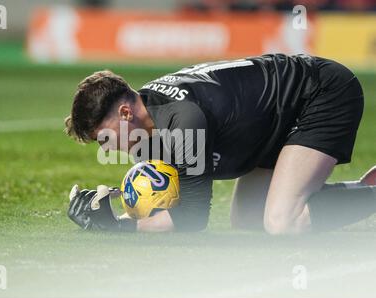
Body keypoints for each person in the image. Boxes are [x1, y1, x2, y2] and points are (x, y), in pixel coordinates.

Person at [65, 53, 376, 234]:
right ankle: (365, 189)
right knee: (248, 220)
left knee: (283, 221)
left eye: (102, 137)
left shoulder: (182, 120)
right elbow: (165, 195)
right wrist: (111, 203)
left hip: (319, 92)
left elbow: (192, 217)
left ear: (124, 112)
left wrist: (120, 227)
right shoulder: (148, 116)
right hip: (274, 118)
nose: (105, 148)